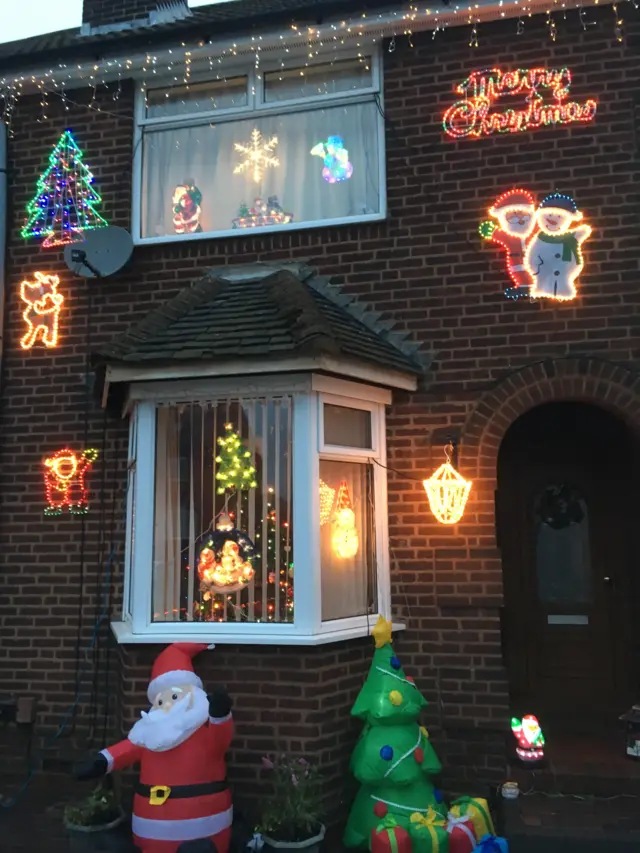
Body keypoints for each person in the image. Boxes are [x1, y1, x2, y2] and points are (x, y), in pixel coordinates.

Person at [76, 643, 233, 853]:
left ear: (195, 696)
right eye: (161, 701)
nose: (167, 705)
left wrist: (220, 715)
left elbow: (220, 739)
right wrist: (102, 761)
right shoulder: (150, 735)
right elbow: (128, 749)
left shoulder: (203, 729)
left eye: (174, 697)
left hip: (201, 824)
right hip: (150, 824)